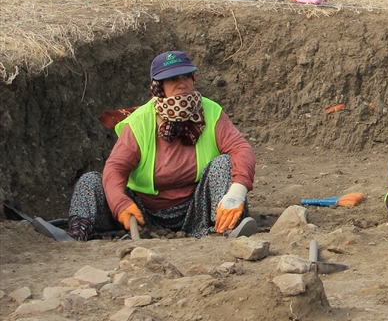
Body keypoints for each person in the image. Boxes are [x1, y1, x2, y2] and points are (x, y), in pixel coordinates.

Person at [64, 51, 257, 241]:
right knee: (91, 181)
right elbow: (116, 168)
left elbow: (241, 150)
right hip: (143, 215)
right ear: (159, 87)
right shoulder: (140, 121)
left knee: (224, 164)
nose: (182, 84)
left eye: (186, 77)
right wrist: (120, 204)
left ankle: (226, 228)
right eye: (173, 79)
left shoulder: (211, 111)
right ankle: (78, 233)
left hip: (197, 209)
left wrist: (236, 193)